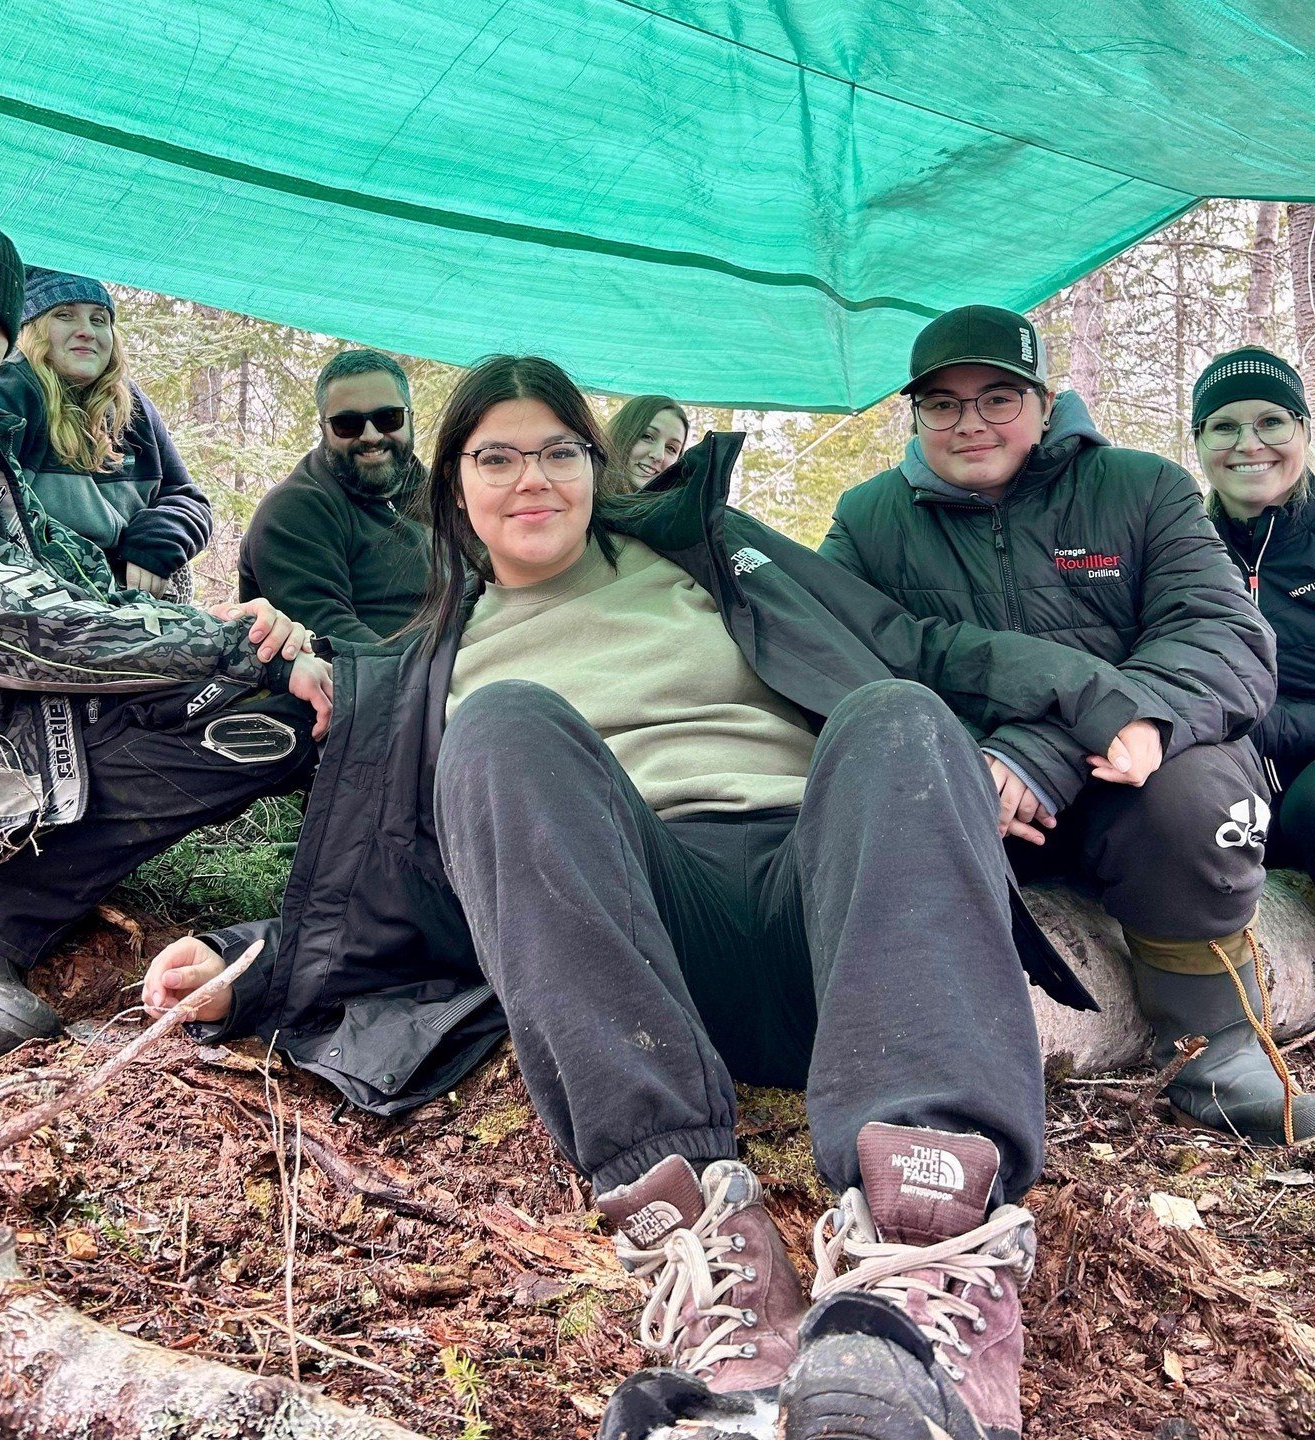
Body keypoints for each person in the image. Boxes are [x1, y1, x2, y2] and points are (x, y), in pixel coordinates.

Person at [143, 354, 1189, 1438]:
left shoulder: (715, 559)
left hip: (832, 918)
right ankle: (707, 1251)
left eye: (557, 451)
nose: (530, 478)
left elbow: (914, 645)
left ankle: (924, 1272)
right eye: (494, 457)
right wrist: (253, 955)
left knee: (897, 712)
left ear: (596, 469)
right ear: (451, 485)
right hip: (648, 962)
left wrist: (1097, 699)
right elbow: (409, 877)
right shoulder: (422, 667)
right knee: (503, 725)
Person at [821, 304, 1304, 1146]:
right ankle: (916, 1064)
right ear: (917, 416)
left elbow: (1225, 632)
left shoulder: (1139, 487)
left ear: (1045, 404)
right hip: (985, 794)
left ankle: (1214, 1038)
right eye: (943, 403)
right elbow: (842, 659)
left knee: (1191, 788)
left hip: (1130, 774)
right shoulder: (870, 522)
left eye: (999, 397)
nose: (971, 422)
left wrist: (1136, 720)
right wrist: (966, 757)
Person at [0, 207, 333, 1059]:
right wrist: (221, 647)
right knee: (247, 677)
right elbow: (3, 623)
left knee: (280, 705)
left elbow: (75, 583)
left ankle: (361, 931)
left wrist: (243, 634)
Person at [0, 268, 212, 600]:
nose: (87, 332)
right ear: (32, 329)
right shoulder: (10, 393)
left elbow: (189, 499)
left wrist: (154, 543)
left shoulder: (132, 406)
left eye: (98, 320)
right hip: (52, 594)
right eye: (65, 316)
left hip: (135, 591)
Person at [1194, 347, 1315, 883]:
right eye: (1224, 426)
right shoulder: (1177, 545)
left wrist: (1262, 730)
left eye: (1271, 421)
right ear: (1198, 442)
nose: (1248, 445)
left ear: (1304, 431)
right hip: (1227, 778)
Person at [238, 349, 429, 643]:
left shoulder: (445, 492)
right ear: (324, 430)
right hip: (371, 680)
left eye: (388, 418)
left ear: (410, 418)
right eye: (348, 424)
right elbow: (329, 635)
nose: (371, 436)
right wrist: (449, 675)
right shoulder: (294, 511)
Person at [608, 393, 690, 488]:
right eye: (647, 437)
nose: (659, 456)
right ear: (620, 433)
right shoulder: (588, 490)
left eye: (671, 449)